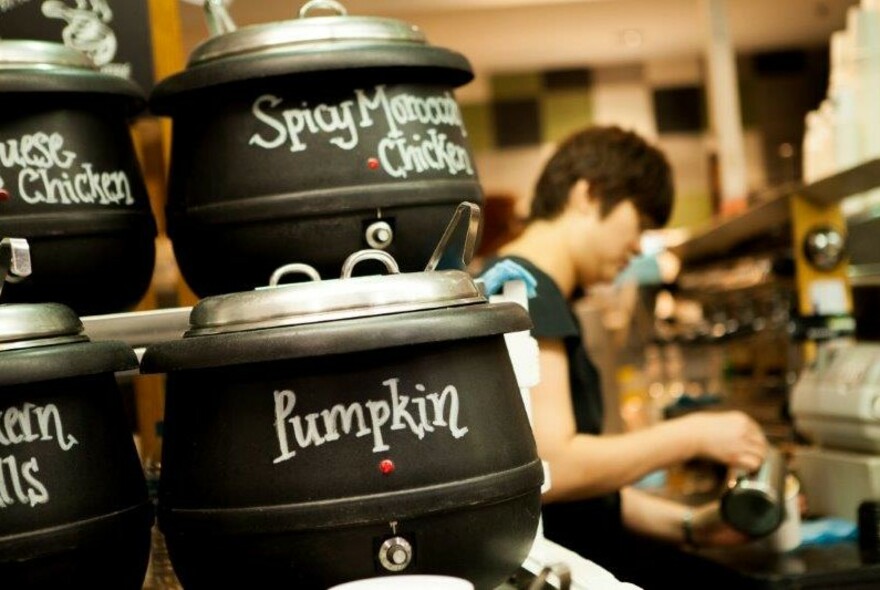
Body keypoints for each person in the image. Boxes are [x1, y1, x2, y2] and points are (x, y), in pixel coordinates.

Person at [479, 126, 769, 584]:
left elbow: (585, 495)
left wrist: (693, 527)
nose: (638, 247)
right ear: (588, 194)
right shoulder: (524, 288)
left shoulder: (518, 283)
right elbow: (556, 465)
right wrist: (693, 435)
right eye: (640, 224)